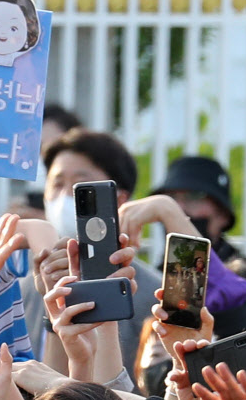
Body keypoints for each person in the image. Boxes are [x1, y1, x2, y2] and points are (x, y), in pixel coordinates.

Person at [22, 128, 160, 375]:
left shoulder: (151, 293)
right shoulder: (26, 291)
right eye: (57, 183)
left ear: (118, 199)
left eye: (79, 186)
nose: (65, 196)